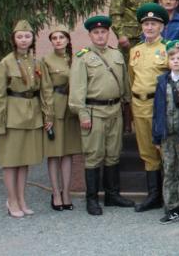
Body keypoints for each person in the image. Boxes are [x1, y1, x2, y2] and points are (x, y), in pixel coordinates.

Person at [69, 15, 134, 215]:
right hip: (94, 112)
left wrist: (128, 109)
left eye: (103, 32)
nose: (100, 36)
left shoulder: (116, 55)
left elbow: (124, 85)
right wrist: (82, 114)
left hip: (115, 110)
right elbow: (77, 90)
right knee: (94, 156)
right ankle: (92, 199)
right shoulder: (83, 57)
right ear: (90, 35)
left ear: (108, 33)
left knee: (113, 154)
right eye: (96, 32)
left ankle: (112, 195)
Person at [0, 20, 53, 218]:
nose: (24, 40)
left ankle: (22, 198)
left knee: (24, 160)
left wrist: (47, 114)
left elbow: (45, 90)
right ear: (14, 39)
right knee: (11, 161)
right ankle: (11, 200)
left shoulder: (37, 63)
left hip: (32, 114)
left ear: (32, 39)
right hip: (13, 116)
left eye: (27, 36)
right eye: (20, 36)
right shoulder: (5, 63)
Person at [130, 3, 169, 212]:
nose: (150, 27)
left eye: (154, 24)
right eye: (146, 24)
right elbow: (131, 79)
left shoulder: (168, 49)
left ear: (161, 27)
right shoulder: (135, 51)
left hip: (160, 105)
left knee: (164, 149)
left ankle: (169, 195)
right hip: (139, 104)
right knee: (146, 151)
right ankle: (153, 195)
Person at [151, 40, 179, 226]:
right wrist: (156, 135)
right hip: (167, 133)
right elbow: (157, 109)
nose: (175, 61)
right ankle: (171, 207)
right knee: (169, 170)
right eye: (172, 58)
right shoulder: (163, 80)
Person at [41, 27, 82, 211]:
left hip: (70, 108)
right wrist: (48, 114)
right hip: (55, 107)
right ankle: (55, 193)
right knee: (54, 152)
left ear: (67, 40)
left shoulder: (75, 59)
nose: (58, 41)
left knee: (68, 152)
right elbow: (46, 89)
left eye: (61, 37)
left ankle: (66, 192)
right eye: (54, 38)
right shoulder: (46, 60)